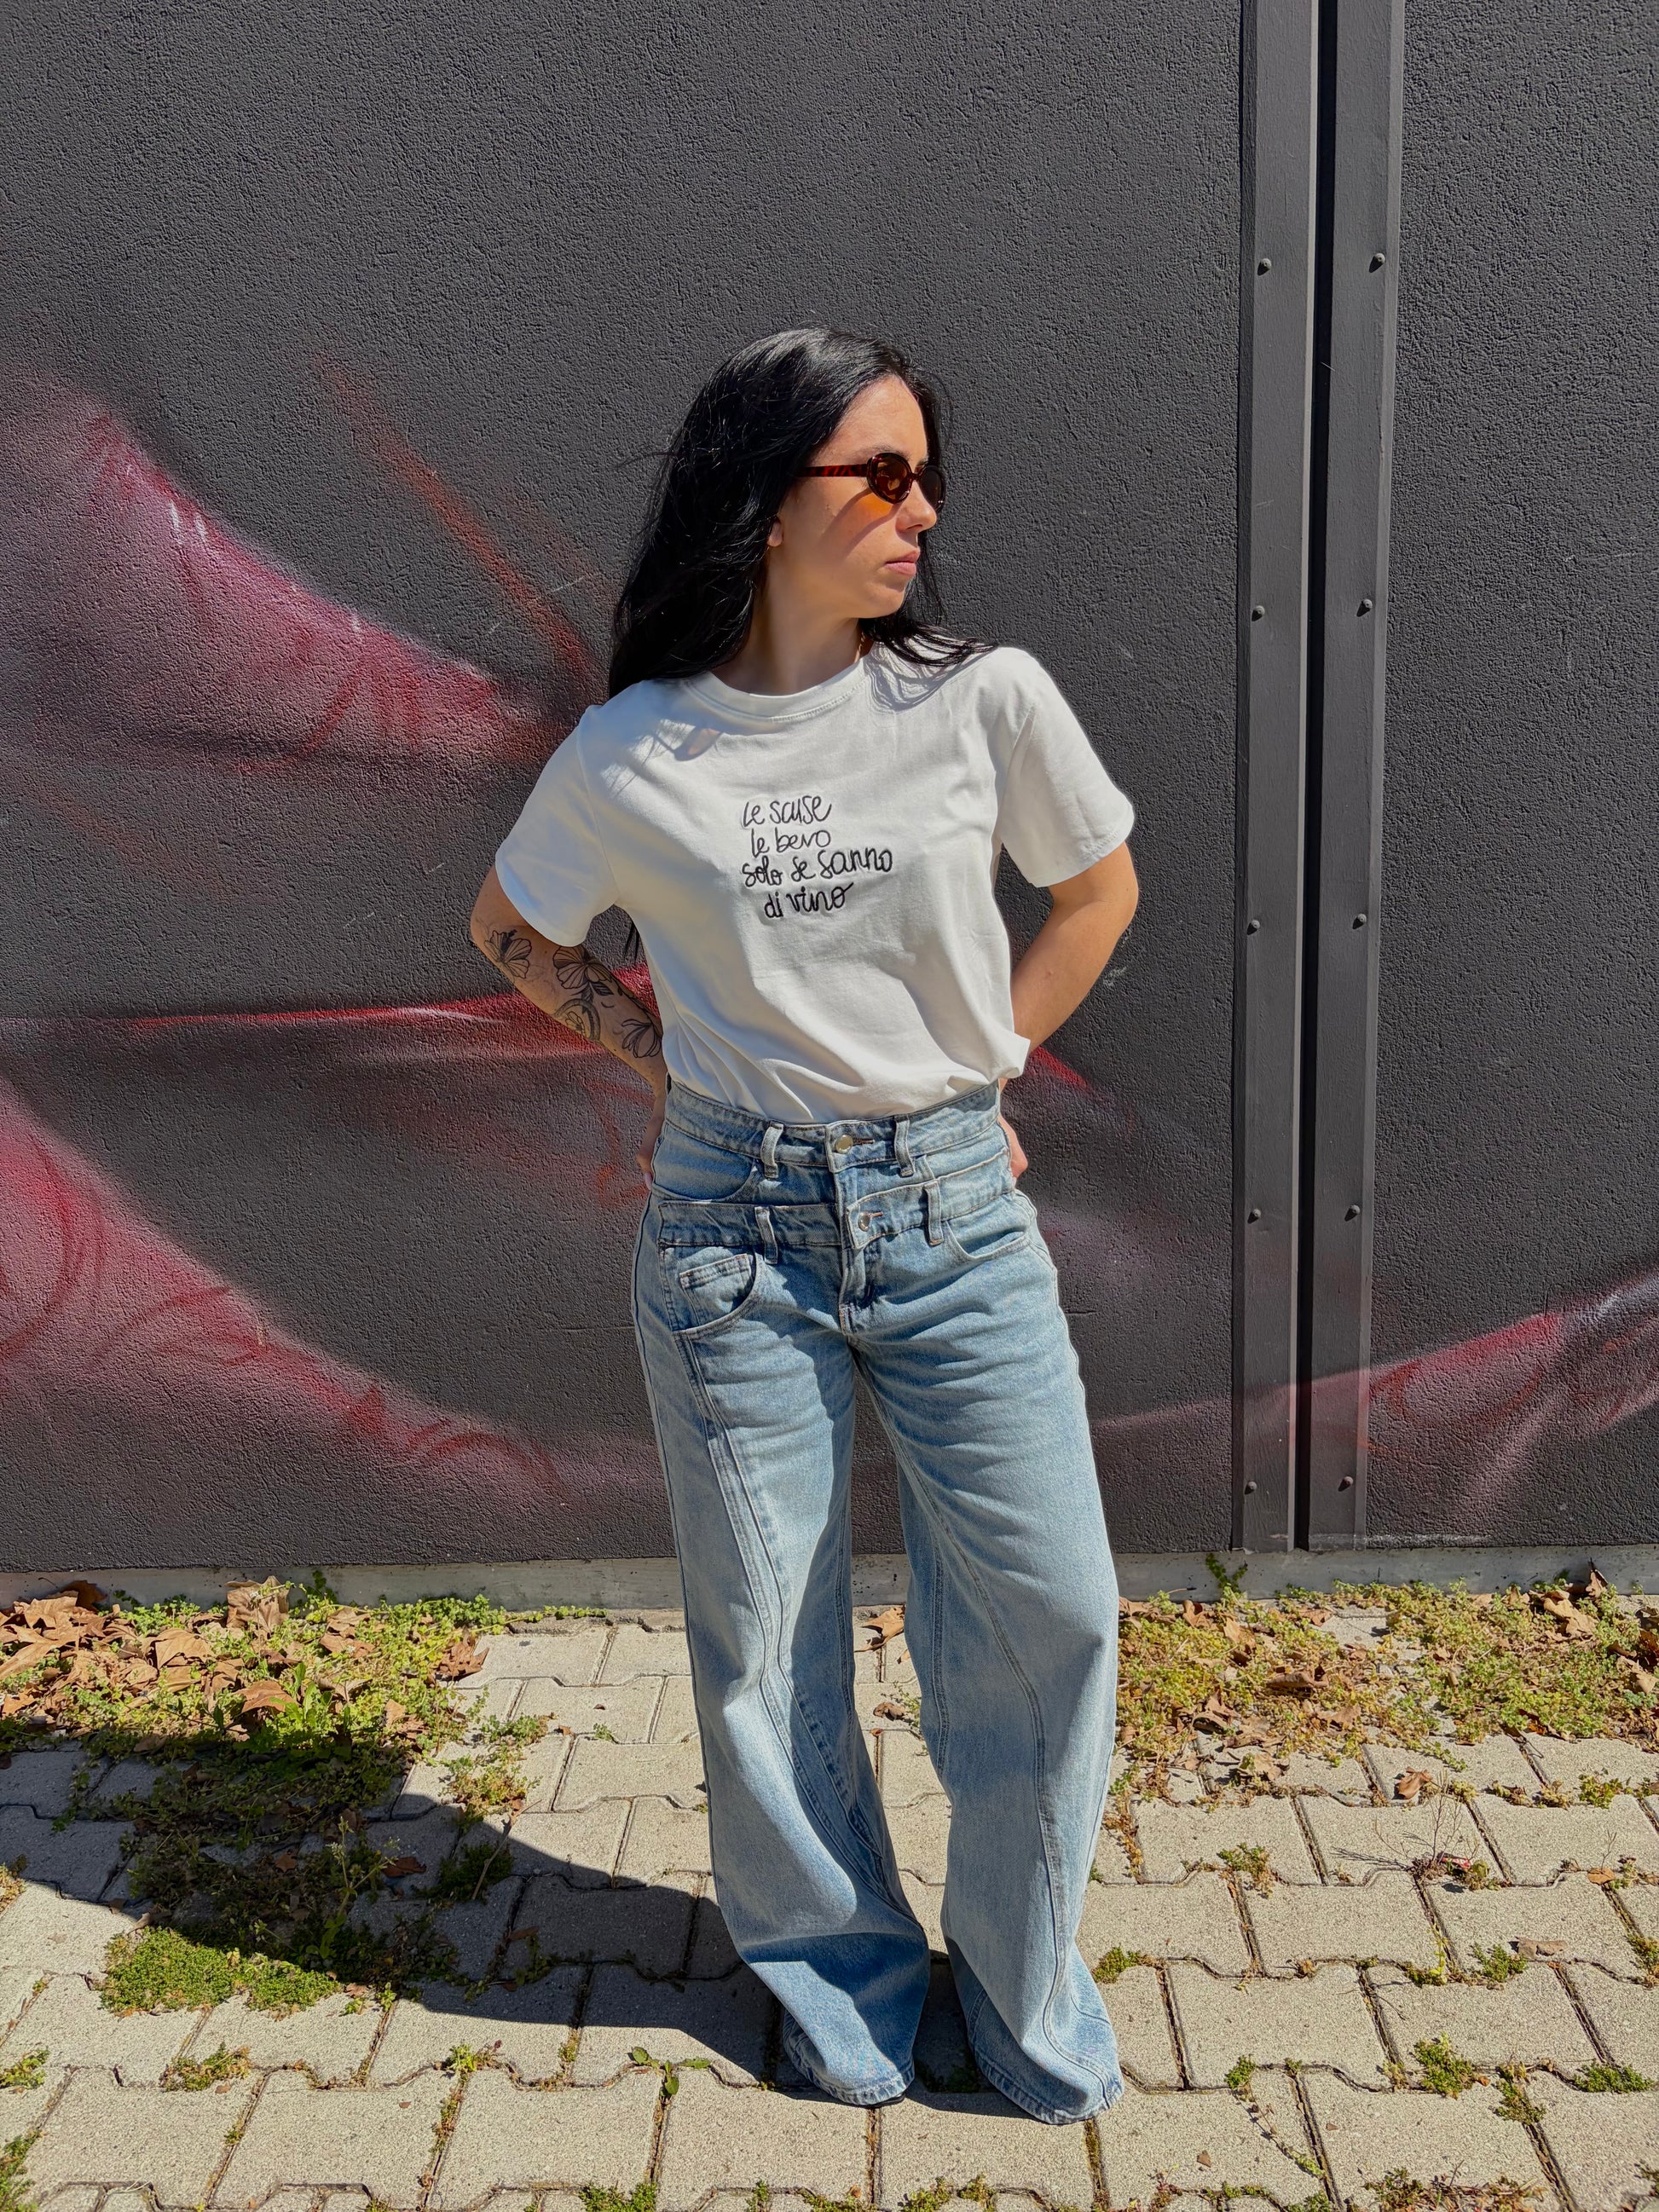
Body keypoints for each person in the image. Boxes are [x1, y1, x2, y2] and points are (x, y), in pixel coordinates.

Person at [468, 326, 1140, 2124]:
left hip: (954, 1218)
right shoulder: (634, 749)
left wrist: (985, 1064)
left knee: (1052, 1610)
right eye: (883, 475)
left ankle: (1018, 1988)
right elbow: (514, 932)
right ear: (770, 501)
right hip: (731, 1238)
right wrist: (662, 1056)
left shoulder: (979, 700)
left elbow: (1096, 890)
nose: (921, 513)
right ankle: (841, 1980)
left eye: (928, 477)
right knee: (767, 1637)